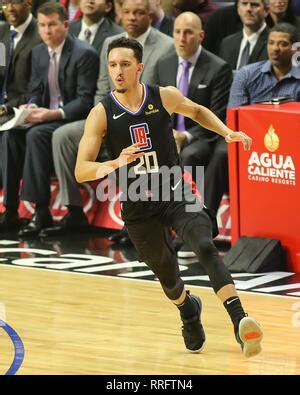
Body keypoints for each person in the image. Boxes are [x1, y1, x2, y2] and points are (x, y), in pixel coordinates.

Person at [75, 37, 263, 357]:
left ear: (139, 67)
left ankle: (239, 319)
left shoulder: (163, 96)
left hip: (174, 188)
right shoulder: (101, 112)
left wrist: (227, 132)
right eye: (112, 66)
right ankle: (189, 311)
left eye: (124, 65)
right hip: (136, 201)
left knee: (204, 245)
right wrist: (115, 162)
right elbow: (81, 170)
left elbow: (198, 110)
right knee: (168, 276)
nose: (118, 71)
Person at [43, 0, 173, 239]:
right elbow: (102, 87)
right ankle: (74, 211)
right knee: (62, 135)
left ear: (150, 16)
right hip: (110, 111)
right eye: (127, 12)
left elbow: (164, 97)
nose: (132, 17)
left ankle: (136, 218)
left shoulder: (167, 46)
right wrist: (105, 119)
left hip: (147, 119)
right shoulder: (108, 44)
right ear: (119, 14)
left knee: (131, 136)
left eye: (139, 13)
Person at [0, 2, 99, 235]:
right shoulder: (39, 52)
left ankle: (41, 210)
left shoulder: (84, 54)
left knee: (36, 134)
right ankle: (11, 210)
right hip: (46, 116)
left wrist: (53, 113)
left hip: (71, 119)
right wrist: (31, 105)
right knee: (10, 134)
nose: (46, 31)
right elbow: (37, 88)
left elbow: (85, 101)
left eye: (52, 25)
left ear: (65, 25)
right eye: (42, 25)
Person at [204, 22, 300, 226]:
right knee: (221, 153)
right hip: (246, 138)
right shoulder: (248, 74)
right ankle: (203, 223)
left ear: (295, 49)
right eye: (272, 43)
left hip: (290, 146)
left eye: (282, 44)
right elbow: (233, 117)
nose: (275, 48)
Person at [154, 11, 232, 257]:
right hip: (168, 136)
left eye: (188, 32)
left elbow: (216, 114)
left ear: (200, 36)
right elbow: (155, 110)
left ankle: (194, 231)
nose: (181, 38)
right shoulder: (163, 64)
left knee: (188, 157)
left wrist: (184, 136)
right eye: (177, 31)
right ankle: (155, 230)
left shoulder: (218, 68)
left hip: (203, 137)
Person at [219, 0, 269, 71]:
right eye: (244, 4)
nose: (248, 9)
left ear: (266, 11)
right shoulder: (227, 43)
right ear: (238, 9)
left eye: (254, 4)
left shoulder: (274, 43)